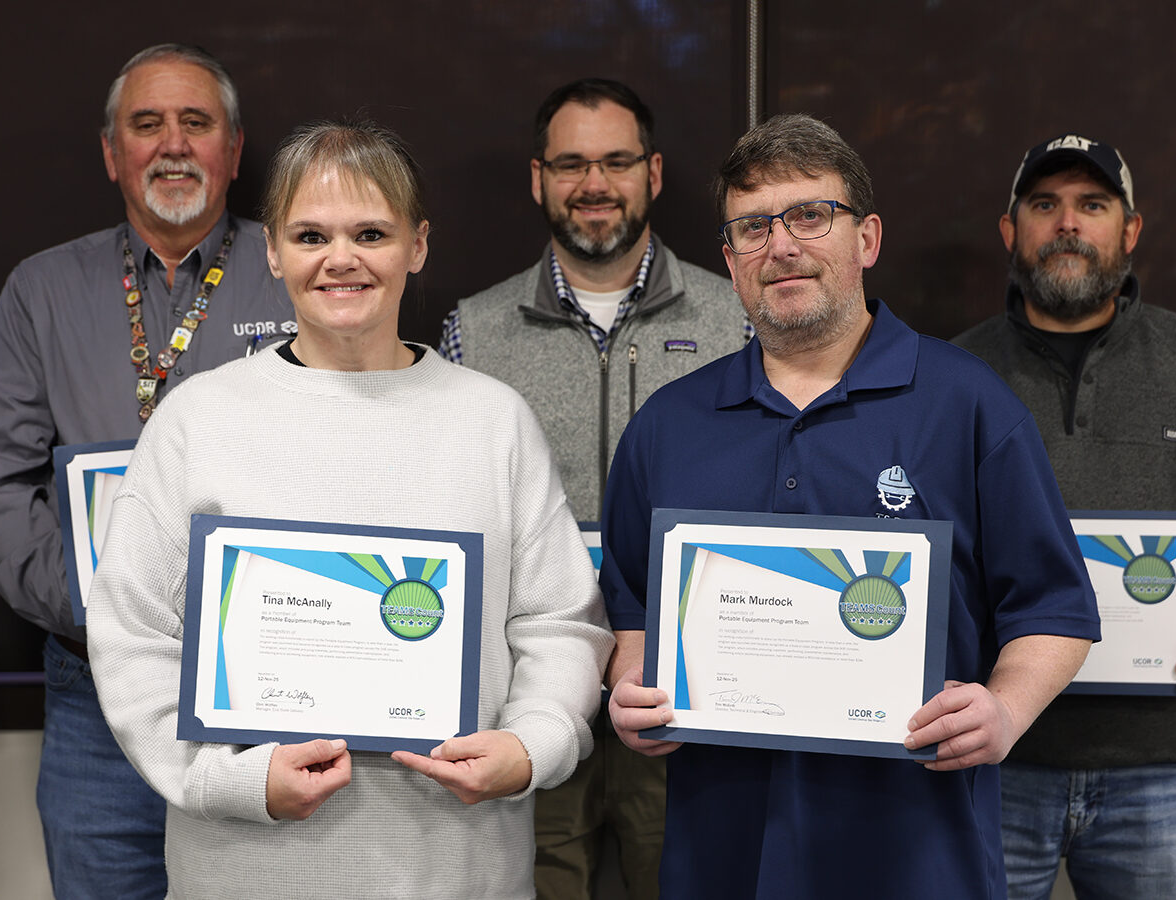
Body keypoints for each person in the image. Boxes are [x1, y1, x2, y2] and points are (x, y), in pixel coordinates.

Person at [84, 119, 613, 900]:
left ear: (418, 245)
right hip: (247, 867)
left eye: (371, 232)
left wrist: (532, 746)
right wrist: (230, 778)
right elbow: (131, 629)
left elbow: (558, 621)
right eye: (310, 235)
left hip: (456, 866)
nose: (342, 259)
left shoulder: (492, 421)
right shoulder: (199, 420)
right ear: (272, 249)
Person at [601, 114, 1102, 898]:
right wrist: (632, 691)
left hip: (921, 855)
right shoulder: (668, 427)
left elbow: (1055, 610)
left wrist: (1003, 711)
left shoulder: (969, 405)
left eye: (810, 216)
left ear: (866, 239)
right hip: (722, 857)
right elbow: (630, 609)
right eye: (754, 228)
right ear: (731, 262)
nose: (782, 246)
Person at [0, 43, 290, 897]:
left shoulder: (300, 271)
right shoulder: (41, 290)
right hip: (94, 685)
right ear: (113, 153)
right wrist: (104, 612)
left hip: (270, 675)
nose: (172, 144)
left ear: (235, 149)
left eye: (196, 122)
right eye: (147, 124)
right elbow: (0, 488)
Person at [952, 134, 1176, 900]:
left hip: (1163, 774)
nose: (1068, 224)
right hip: (1000, 759)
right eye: (1044, 205)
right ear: (1009, 230)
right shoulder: (953, 377)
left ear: (1131, 229)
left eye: (1093, 204)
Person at [437, 77, 746, 900]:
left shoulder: (738, 321)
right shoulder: (474, 327)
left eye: (615, 161)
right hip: (531, 693)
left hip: (689, 701)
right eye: (571, 164)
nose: (594, 184)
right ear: (537, 178)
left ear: (653, 173)